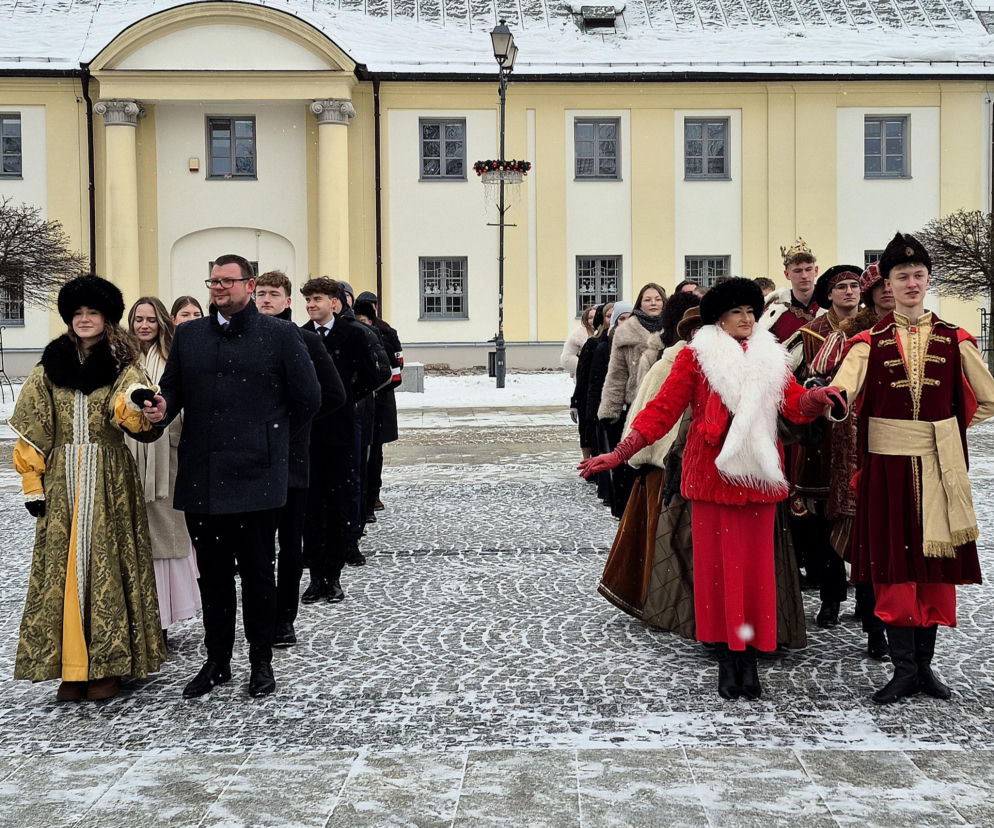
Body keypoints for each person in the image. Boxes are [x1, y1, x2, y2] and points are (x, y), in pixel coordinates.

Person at [579, 278, 844, 701]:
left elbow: (792, 402)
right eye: (737, 312)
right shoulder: (696, 358)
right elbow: (661, 410)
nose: (747, 320)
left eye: (751, 312)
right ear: (719, 318)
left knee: (756, 575)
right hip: (711, 481)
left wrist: (819, 398)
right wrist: (619, 452)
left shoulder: (769, 359)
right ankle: (727, 655)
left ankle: (750, 654)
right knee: (717, 575)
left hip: (758, 479)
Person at [145, 254, 321, 699]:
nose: (219, 288)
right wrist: (162, 411)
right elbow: (174, 391)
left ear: (250, 283)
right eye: (214, 281)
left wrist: (270, 439)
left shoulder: (279, 335)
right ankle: (217, 660)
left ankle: (261, 661)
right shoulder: (190, 335)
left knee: (260, 575)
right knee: (214, 576)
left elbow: (310, 398)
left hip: (257, 477)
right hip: (203, 477)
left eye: (229, 281)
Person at [828, 232, 994, 704]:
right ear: (888, 283)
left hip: (941, 467)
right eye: (902, 276)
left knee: (934, 566)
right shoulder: (867, 341)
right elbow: (843, 392)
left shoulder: (955, 337)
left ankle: (925, 668)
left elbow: (988, 397)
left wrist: (950, 430)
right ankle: (902, 669)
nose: (911, 283)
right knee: (894, 563)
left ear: (927, 280)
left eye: (918, 275)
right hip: (887, 470)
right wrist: (828, 398)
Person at [11, 276, 166, 701]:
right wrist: (32, 480)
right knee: (62, 570)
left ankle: (109, 664)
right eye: (77, 313)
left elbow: (132, 403)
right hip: (61, 480)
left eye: (92, 313)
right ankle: (70, 666)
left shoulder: (123, 364)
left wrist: (136, 402)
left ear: (106, 319)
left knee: (107, 566)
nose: (84, 320)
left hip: (109, 477)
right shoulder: (48, 366)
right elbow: (31, 425)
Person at [598, 299, 702, 641]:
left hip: (698, 468)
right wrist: (626, 448)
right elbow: (648, 410)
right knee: (664, 545)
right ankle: (666, 605)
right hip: (663, 464)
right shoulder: (668, 363)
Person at [808, 261, 896, 660]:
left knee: (894, 533)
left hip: (903, 442)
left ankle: (896, 624)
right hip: (854, 440)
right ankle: (870, 619)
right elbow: (819, 374)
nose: (889, 292)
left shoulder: (924, 330)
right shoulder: (851, 335)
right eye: (880, 286)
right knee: (857, 524)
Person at [254, 271, 346, 647]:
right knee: (256, 549)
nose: (265, 300)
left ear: (287, 300)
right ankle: (260, 618)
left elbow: (333, 394)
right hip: (251, 461)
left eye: (273, 294)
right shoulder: (245, 339)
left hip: (291, 458)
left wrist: (291, 425)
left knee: (291, 544)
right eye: (260, 293)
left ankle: (284, 620)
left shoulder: (305, 339)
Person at [783, 265, 863, 628]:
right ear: (828, 294)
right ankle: (831, 597)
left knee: (863, 519)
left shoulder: (875, 328)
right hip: (820, 440)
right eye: (842, 287)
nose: (850, 292)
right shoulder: (809, 334)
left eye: (855, 286)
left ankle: (866, 599)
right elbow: (791, 383)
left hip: (863, 438)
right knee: (823, 522)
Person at [299, 277, 380, 604]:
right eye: (307, 300)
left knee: (337, 506)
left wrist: (345, 400)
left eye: (316, 299)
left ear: (335, 302)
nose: (311, 305)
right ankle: (314, 576)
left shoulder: (352, 334)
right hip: (309, 433)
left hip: (342, 430)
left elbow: (374, 376)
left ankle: (331, 576)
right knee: (311, 509)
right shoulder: (301, 334)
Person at [126, 297, 201, 643]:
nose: (144, 326)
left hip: (166, 461)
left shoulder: (173, 357)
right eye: (138, 319)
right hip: (127, 460)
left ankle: (164, 617)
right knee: (134, 539)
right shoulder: (121, 360)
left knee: (165, 538)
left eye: (150, 320)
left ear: (161, 323)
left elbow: (185, 401)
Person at [598, 284, 667, 516]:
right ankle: (629, 509)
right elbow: (616, 374)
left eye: (657, 298)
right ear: (640, 303)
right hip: (636, 404)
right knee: (631, 461)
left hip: (666, 405)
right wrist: (610, 409)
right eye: (648, 299)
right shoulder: (626, 332)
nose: (653, 303)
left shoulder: (672, 330)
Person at [354, 295, 401, 522]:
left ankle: (373, 496)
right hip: (360, 404)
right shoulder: (349, 332)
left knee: (375, 453)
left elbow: (394, 369)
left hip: (380, 402)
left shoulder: (386, 333)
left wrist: (376, 387)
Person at [761, 239, 821, 342]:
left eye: (808, 269)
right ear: (787, 274)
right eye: (798, 271)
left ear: (816, 271)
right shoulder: (773, 311)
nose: (804, 276)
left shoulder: (832, 305)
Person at [560, 304, 597, 379]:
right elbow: (590, 348)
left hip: (576, 357)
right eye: (590, 318)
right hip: (569, 358)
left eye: (595, 317)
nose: (593, 320)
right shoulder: (581, 331)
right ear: (585, 320)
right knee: (585, 372)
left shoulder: (593, 330)